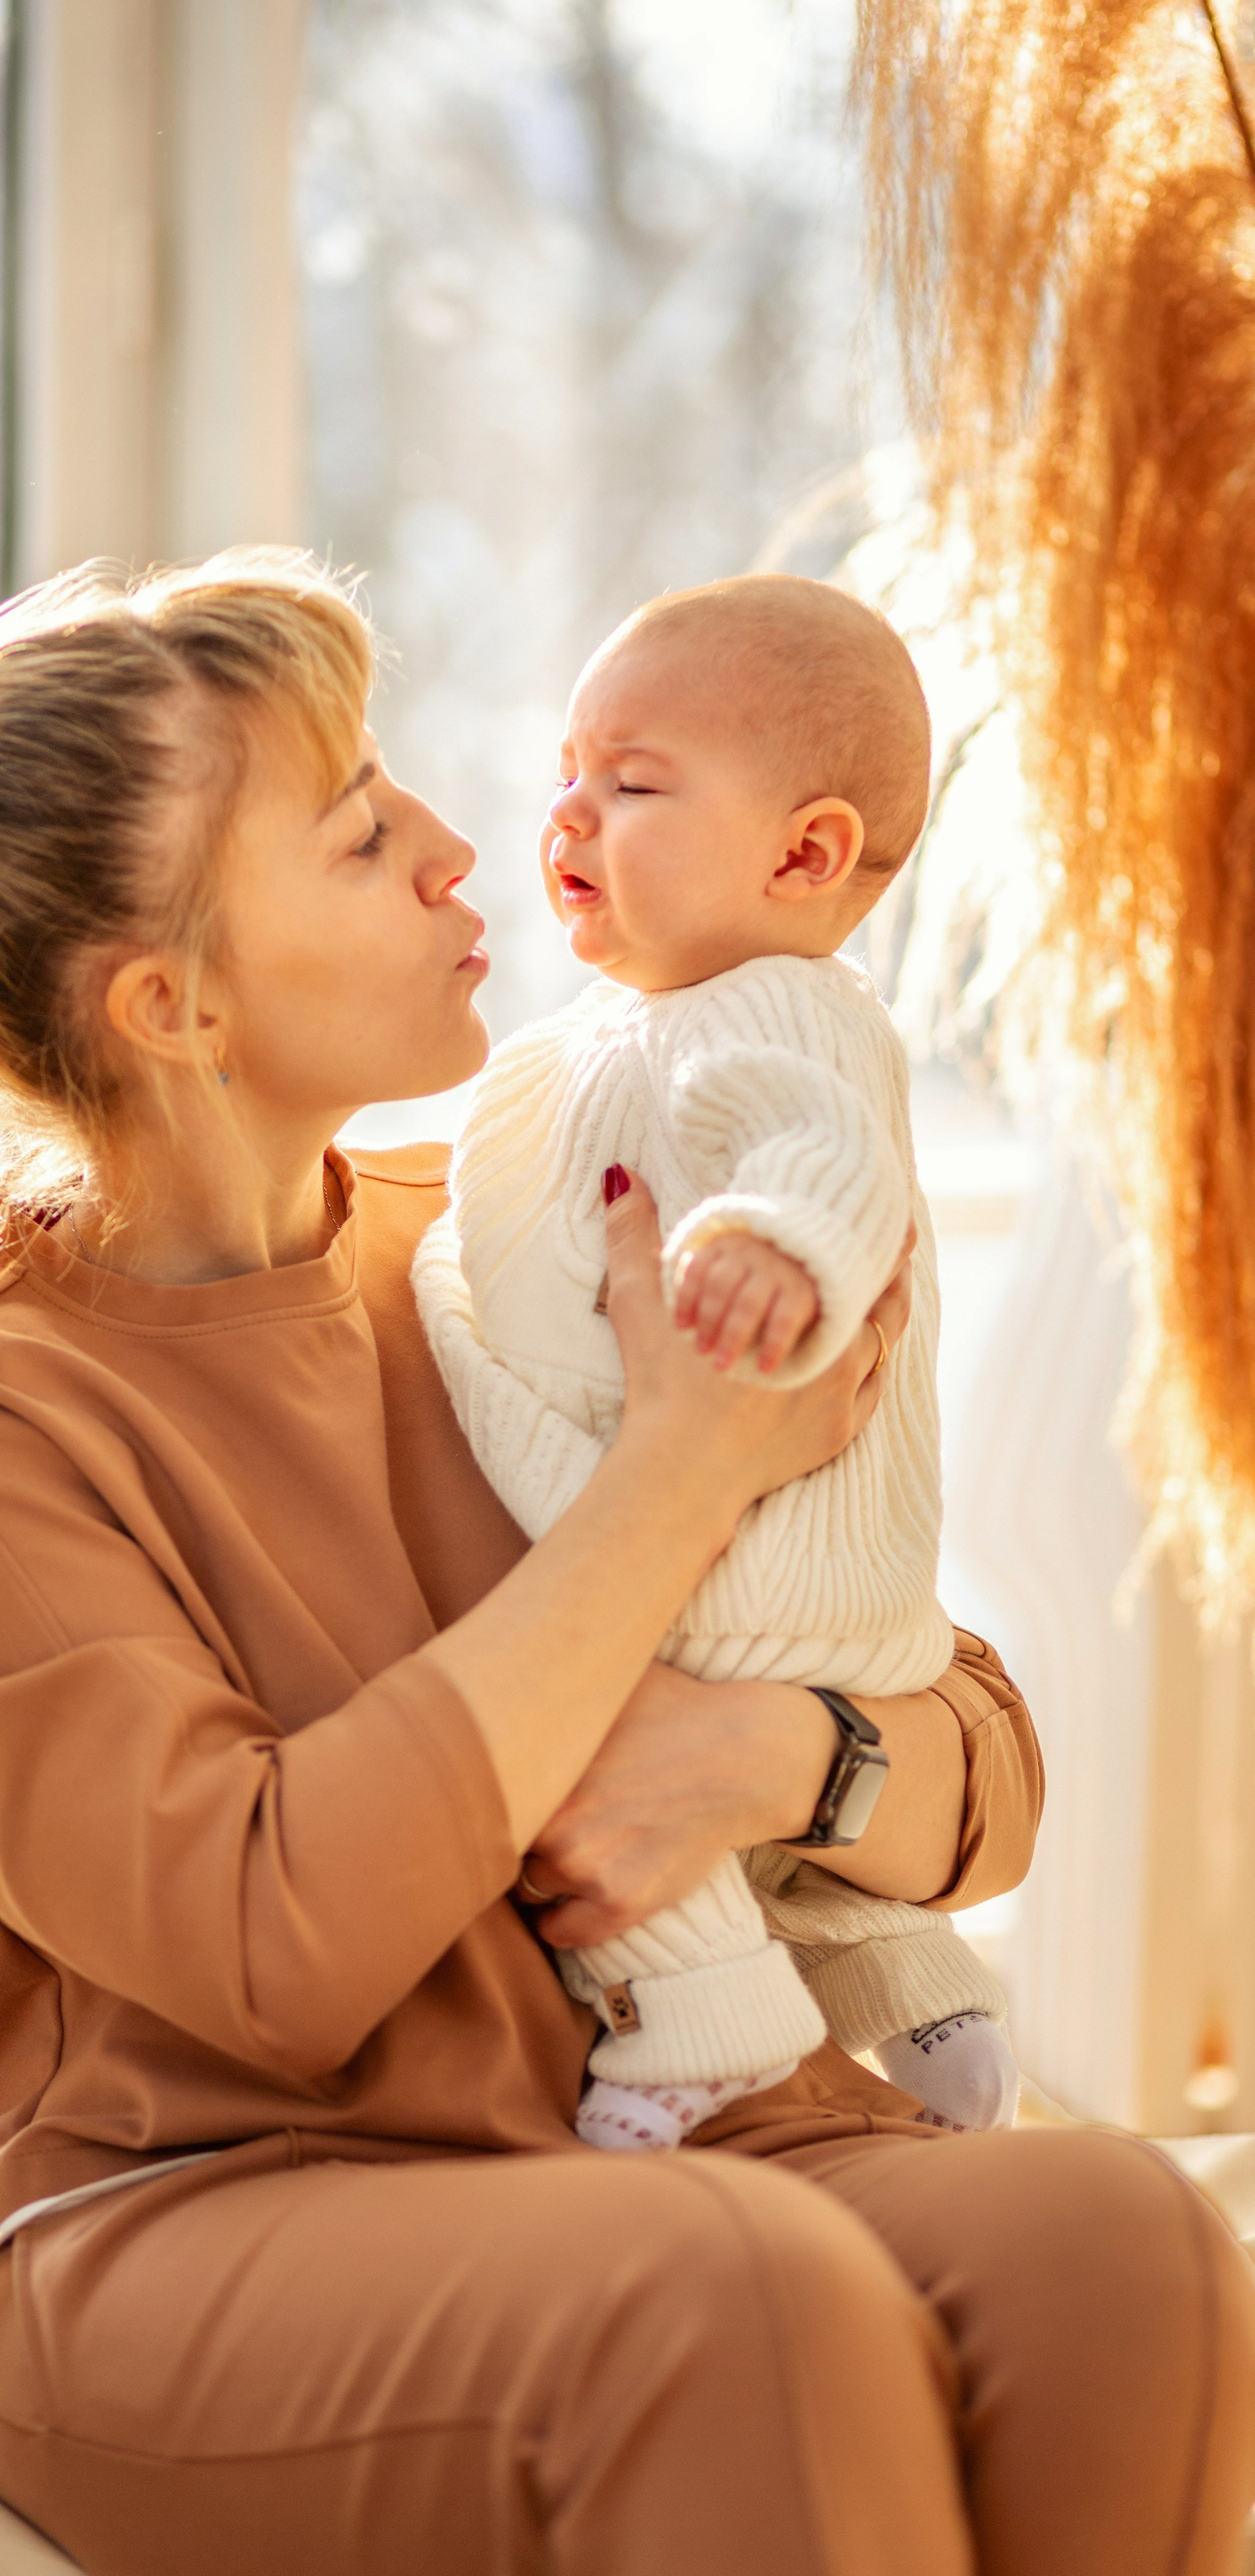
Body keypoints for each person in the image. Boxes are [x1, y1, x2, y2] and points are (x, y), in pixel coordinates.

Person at [0, 550, 1255, 2576]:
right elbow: (275, 1948)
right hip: (192, 2209)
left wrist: (779, 1763)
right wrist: (675, 1479)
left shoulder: (524, 1235)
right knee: (735, 2304)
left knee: (1119, 2241)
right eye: (363, 834)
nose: (465, 851)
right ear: (173, 1005)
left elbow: (978, 1756)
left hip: (658, 2127)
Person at [415, 575, 1013, 2156]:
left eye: (628, 783)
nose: (562, 816)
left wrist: (777, 1241)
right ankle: (916, 1983)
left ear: (804, 853)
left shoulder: (781, 1007)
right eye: (563, 772)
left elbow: (824, 1151)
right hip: (762, 1565)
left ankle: (695, 2031)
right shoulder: (614, 1028)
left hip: (741, 1555)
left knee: (585, 1750)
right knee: (766, 1841)